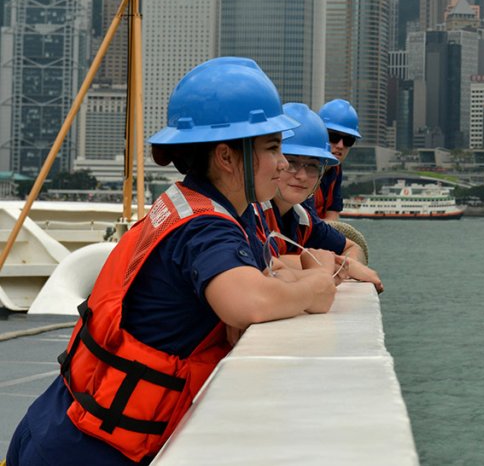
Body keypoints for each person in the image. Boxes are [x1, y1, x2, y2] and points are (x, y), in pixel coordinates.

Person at [5, 58, 337, 466]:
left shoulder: (215, 208)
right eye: (272, 148)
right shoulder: (204, 229)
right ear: (227, 157)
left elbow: (260, 275)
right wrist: (317, 286)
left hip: (63, 425)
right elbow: (248, 302)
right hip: (84, 450)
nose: (285, 163)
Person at [260, 103, 381, 291]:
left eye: (312, 166)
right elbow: (262, 262)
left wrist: (343, 266)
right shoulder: (252, 212)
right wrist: (330, 264)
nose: (302, 175)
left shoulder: (303, 219)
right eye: (292, 162)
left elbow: (352, 247)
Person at [312, 99, 360, 222]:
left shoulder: (336, 168)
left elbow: (333, 213)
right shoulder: (303, 169)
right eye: (334, 137)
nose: (340, 145)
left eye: (348, 141)